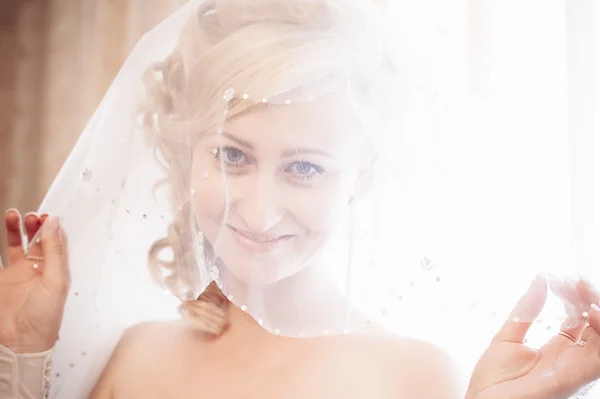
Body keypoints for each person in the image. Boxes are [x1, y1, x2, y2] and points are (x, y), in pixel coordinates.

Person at [1, 0, 599, 398]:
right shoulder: (131, 359)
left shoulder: (413, 377)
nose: (258, 210)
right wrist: (20, 355)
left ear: (360, 176)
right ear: (189, 154)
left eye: (305, 168)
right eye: (232, 156)